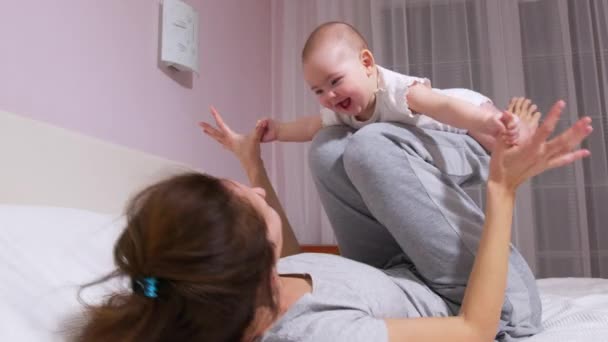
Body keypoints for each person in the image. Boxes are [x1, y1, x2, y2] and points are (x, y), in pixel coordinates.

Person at [74, 100, 591, 342]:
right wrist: (503, 188)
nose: (259, 191)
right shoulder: (318, 335)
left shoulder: (244, 292)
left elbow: (292, 255)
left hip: (400, 270)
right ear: (253, 266)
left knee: (327, 148)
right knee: (368, 147)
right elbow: (473, 331)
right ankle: (488, 152)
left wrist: (252, 161)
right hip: (493, 307)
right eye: (255, 200)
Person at [258, 21, 535, 153]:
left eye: (335, 81)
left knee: (504, 142)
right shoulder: (341, 111)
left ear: (367, 63)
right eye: (318, 91)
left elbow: (445, 107)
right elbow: (309, 127)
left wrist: (487, 120)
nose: (329, 95)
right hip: (440, 129)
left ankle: (518, 124)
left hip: (463, 112)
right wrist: (279, 130)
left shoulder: (397, 91)